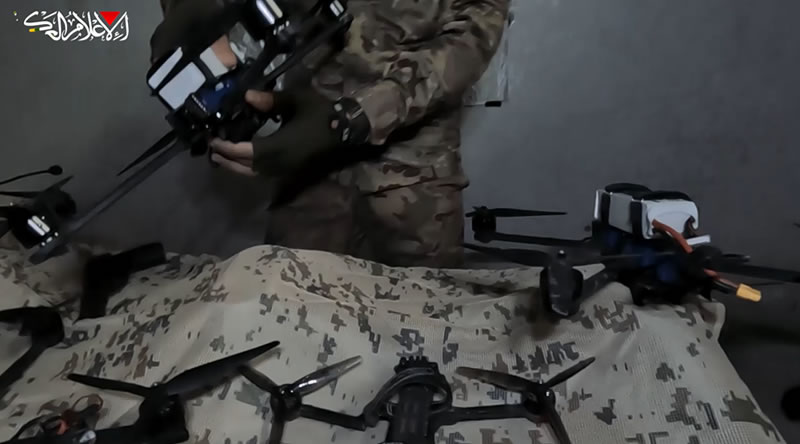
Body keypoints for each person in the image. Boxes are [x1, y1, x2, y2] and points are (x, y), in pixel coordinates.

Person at [151, 0, 510, 268]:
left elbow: (469, 42)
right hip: (310, 174)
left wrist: (356, 117)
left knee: (426, 322)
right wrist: (192, 21)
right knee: (287, 314)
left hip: (413, 183)